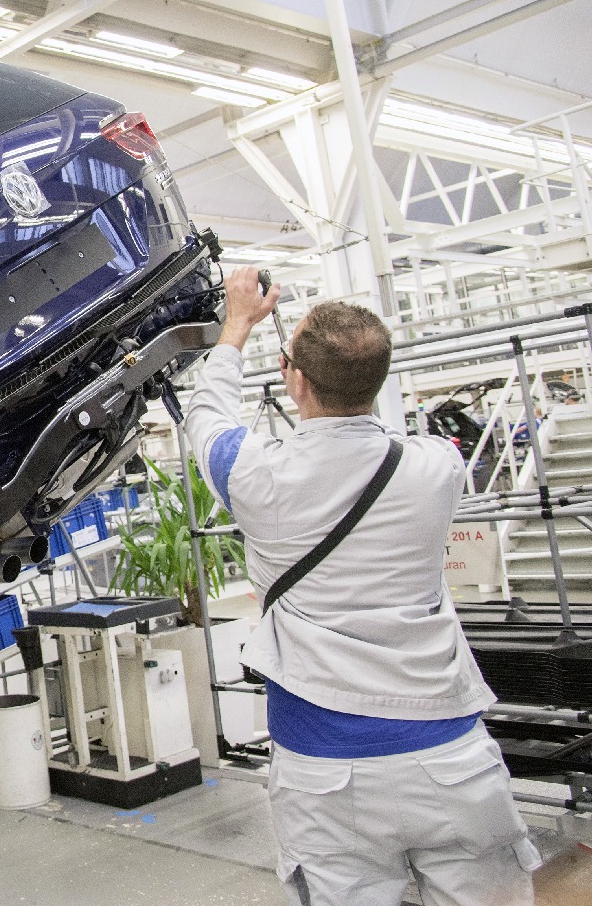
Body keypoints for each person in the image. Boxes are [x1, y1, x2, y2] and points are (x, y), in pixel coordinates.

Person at [185, 266, 538, 906]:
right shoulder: (437, 466)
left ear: (295, 380)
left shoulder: (253, 475)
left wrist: (237, 325)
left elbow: (206, 413)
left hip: (323, 769)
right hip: (452, 756)